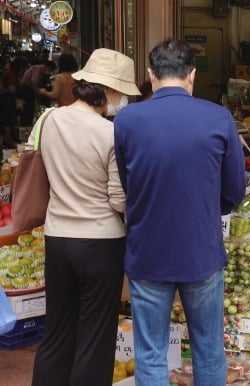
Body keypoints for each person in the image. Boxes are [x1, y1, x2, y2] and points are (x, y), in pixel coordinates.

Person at [114, 39, 246, 386]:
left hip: (148, 252)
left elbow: (130, 185)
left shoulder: (127, 119)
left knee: (151, 354)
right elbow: (234, 189)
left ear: (150, 75)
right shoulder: (217, 117)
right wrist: (204, 209)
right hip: (200, 251)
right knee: (208, 349)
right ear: (192, 75)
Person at [31, 48, 141, 386]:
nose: (122, 99)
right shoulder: (109, 134)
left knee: (58, 329)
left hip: (58, 237)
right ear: (108, 90)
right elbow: (118, 201)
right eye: (121, 92)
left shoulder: (49, 119)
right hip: (100, 241)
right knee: (94, 335)